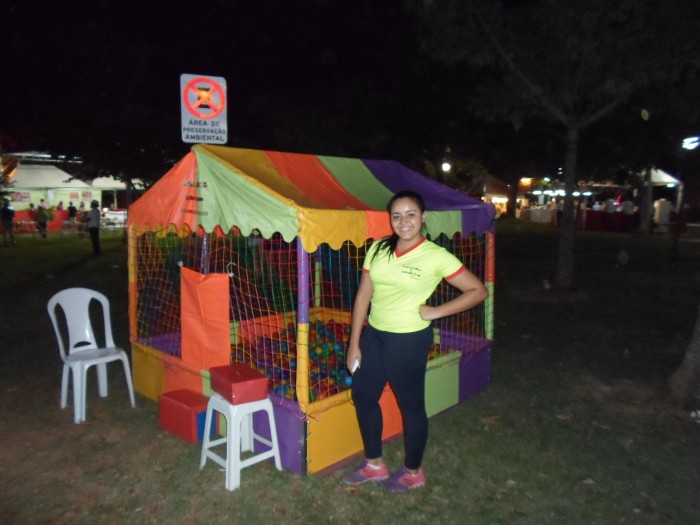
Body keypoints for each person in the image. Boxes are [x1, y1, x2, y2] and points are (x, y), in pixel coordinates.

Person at [343, 190, 488, 492]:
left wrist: (436, 311)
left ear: (423, 217)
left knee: (410, 406)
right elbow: (363, 296)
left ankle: (413, 471)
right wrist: (354, 342)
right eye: (397, 216)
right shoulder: (379, 249)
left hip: (408, 339)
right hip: (375, 336)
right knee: (363, 396)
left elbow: (477, 290)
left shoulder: (436, 256)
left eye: (410, 214)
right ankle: (374, 464)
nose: (403, 221)